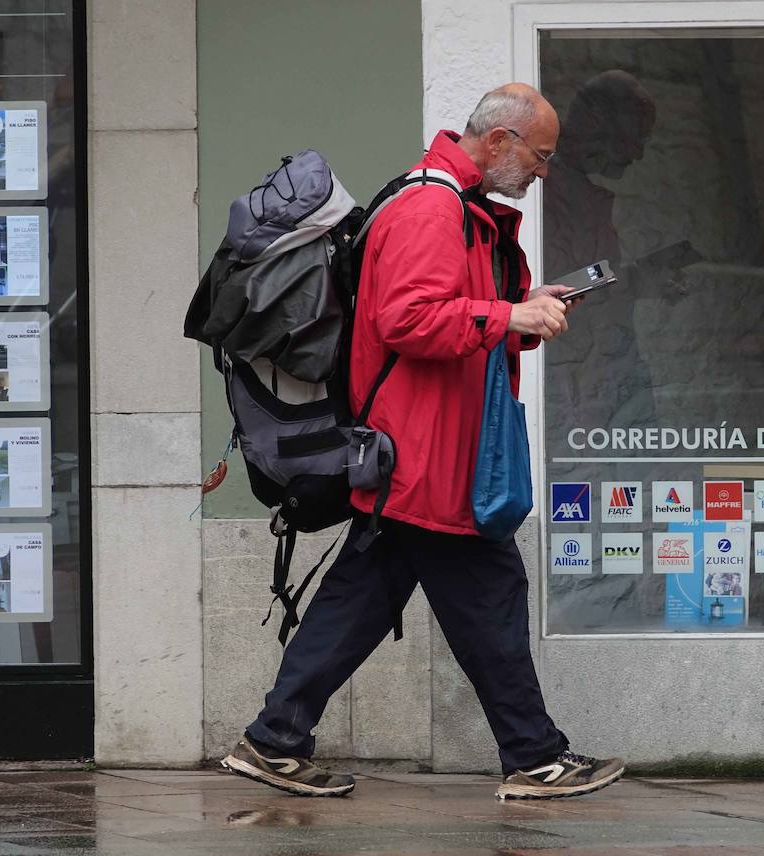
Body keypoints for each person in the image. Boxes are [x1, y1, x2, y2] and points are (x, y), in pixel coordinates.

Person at [221, 84, 625, 800]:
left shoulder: (451, 204)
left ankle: (274, 739)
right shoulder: (432, 207)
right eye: (540, 155)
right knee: (489, 598)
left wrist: (523, 310)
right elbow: (408, 320)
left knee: (362, 599)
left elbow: (453, 316)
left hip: (421, 453)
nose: (543, 171)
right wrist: (508, 317)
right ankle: (535, 758)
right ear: (498, 141)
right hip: (431, 458)